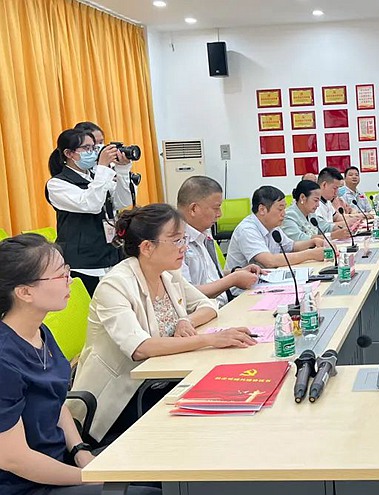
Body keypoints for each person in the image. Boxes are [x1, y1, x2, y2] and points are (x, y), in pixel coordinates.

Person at [71, 204, 256, 445]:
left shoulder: (167, 273)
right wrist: (209, 339)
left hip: (161, 380)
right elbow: (140, 348)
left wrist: (184, 320)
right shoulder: (115, 285)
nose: (184, 247)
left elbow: (208, 305)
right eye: (176, 240)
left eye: (184, 239)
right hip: (122, 398)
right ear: (147, 247)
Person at [0, 234, 161, 495]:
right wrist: (89, 477)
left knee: (163, 469)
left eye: (67, 270)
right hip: (27, 486)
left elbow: (56, 400)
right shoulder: (4, 359)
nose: (70, 280)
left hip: (61, 461)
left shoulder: (39, 332)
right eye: (60, 275)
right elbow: (14, 459)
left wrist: (80, 450)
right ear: (25, 292)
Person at [45, 128, 135, 295]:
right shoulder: (57, 184)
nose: (93, 152)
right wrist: (102, 168)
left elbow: (123, 201)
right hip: (84, 264)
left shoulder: (97, 177)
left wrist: (122, 170)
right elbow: (91, 205)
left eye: (94, 147)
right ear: (69, 154)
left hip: (110, 256)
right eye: (86, 148)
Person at [176, 176, 261, 307]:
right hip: (204, 312)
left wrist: (236, 272)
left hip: (223, 306)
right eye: (216, 208)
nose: (219, 214)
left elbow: (210, 277)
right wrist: (233, 279)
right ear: (194, 209)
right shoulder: (176, 241)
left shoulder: (203, 233)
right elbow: (187, 294)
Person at [226, 185, 326, 271]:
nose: (284, 213)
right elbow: (269, 261)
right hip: (244, 286)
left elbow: (291, 246)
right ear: (262, 209)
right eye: (280, 209)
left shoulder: (273, 226)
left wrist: (312, 242)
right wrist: (310, 254)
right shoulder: (247, 230)